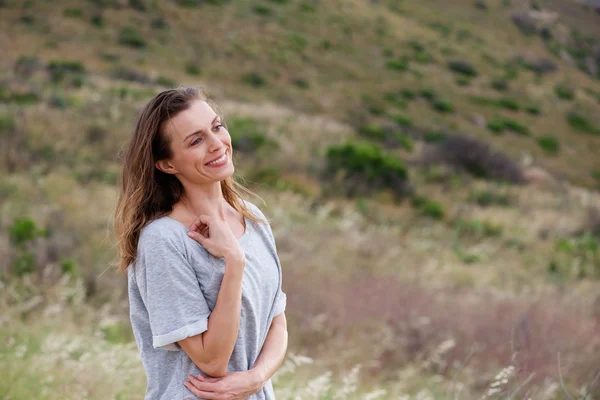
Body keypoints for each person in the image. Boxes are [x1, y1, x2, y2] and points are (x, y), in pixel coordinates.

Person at [113, 87, 288, 399]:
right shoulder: (163, 241)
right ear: (167, 164)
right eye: (196, 140)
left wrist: (256, 378)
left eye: (217, 127)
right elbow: (211, 360)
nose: (216, 144)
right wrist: (234, 262)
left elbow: (277, 322)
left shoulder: (253, 219)